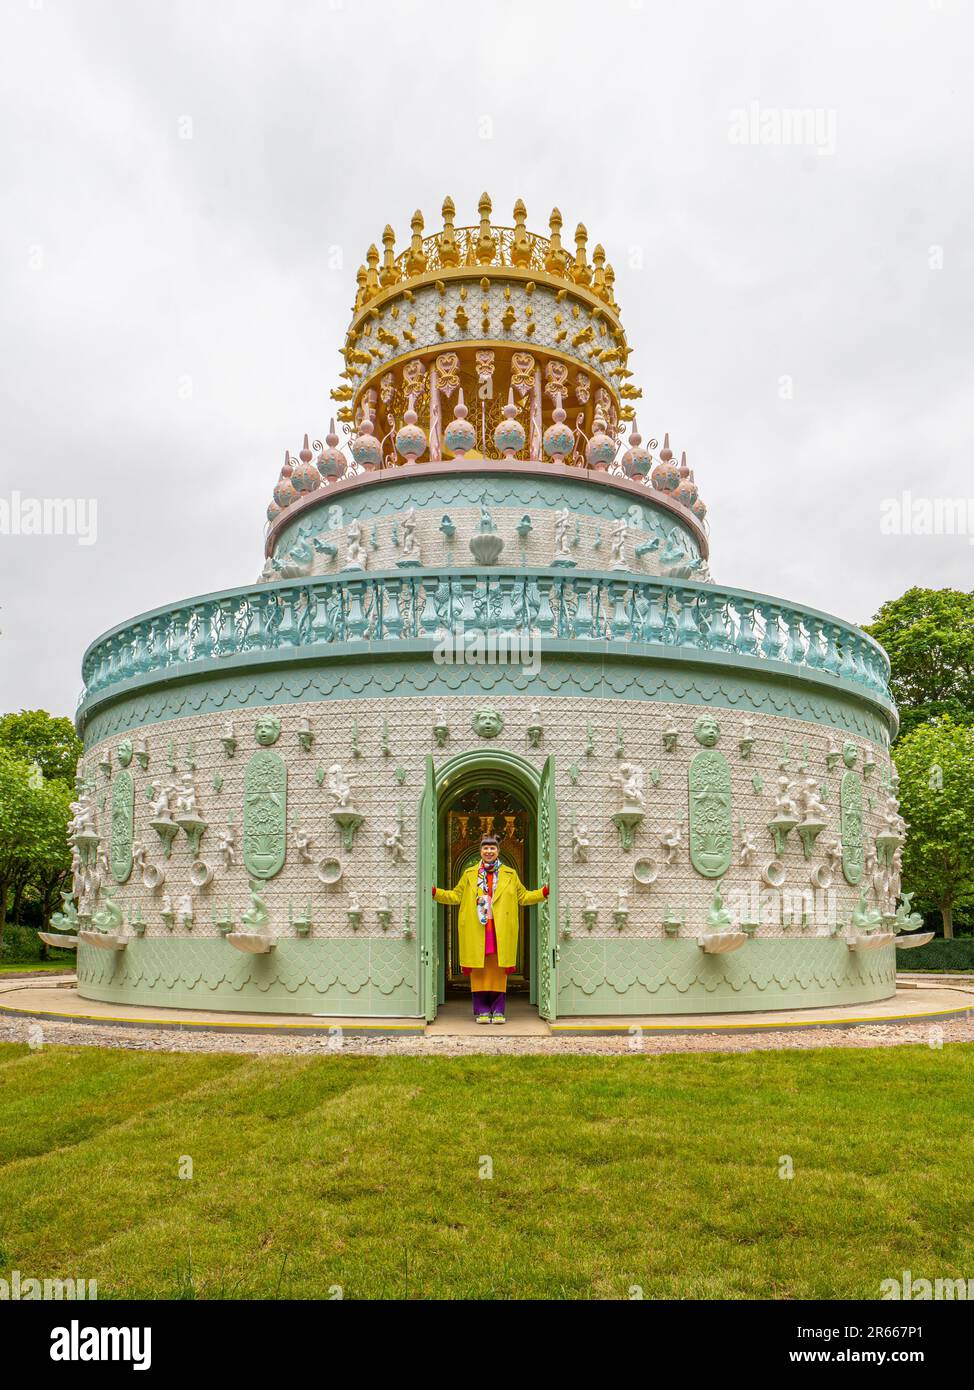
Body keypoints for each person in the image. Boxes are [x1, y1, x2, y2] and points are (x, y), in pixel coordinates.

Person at [433, 835, 548, 1025]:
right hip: (476, 928)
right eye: (485, 848)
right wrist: (434, 892)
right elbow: (455, 896)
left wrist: (544, 892)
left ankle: (498, 1010)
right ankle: (482, 1011)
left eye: (492, 848)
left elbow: (524, 897)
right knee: (479, 969)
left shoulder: (510, 874)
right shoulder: (470, 874)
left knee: (498, 970)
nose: (488, 851)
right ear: (480, 851)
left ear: (498, 851)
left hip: (500, 929)